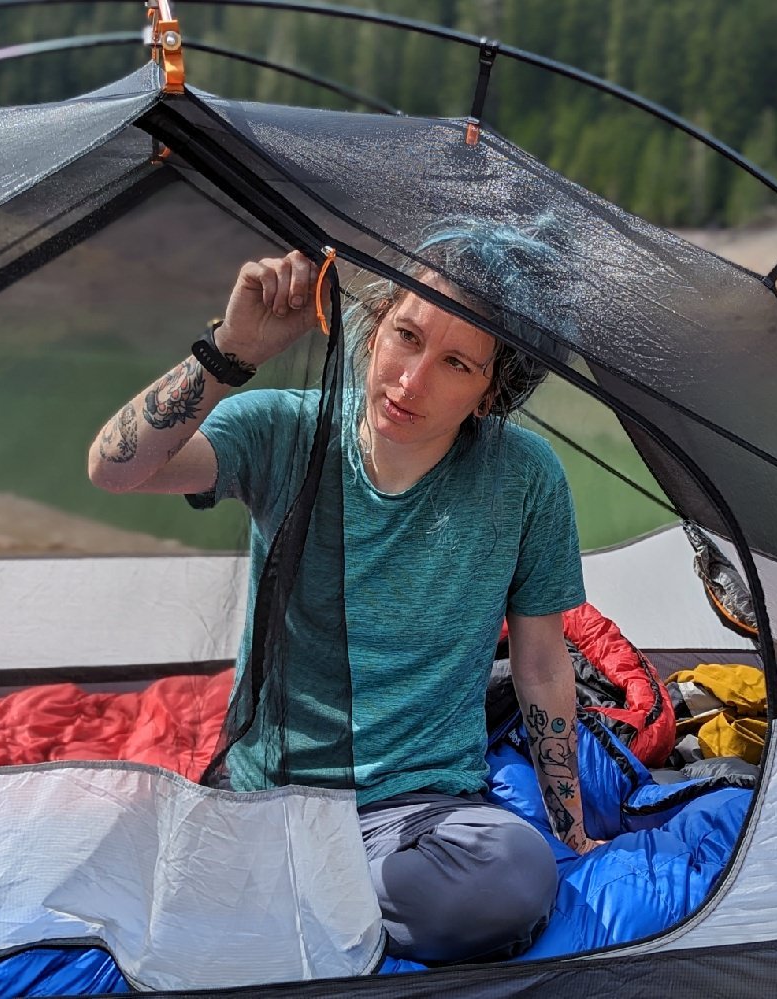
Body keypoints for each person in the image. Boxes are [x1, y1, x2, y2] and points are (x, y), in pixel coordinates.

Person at [87, 221, 596, 964]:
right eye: (407, 336)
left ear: (491, 391)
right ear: (375, 325)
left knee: (514, 877)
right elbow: (116, 467)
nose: (410, 380)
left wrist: (571, 830)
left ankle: (269, 894)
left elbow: (544, 664)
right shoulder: (283, 430)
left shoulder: (525, 476)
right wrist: (230, 353)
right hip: (273, 798)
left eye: (456, 362)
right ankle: (272, 880)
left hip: (418, 811)